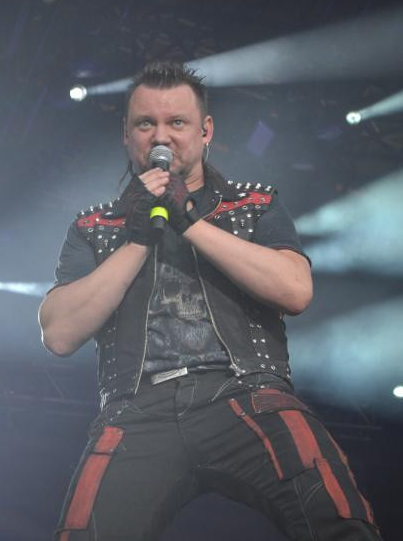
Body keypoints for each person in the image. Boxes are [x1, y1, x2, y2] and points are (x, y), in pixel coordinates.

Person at [39, 61, 381, 541]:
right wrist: (138, 238)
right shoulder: (94, 227)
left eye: (176, 122)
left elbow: (296, 290)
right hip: (136, 410)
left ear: (205, 132)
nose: (161, 137)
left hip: (246, 393)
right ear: (127, 135)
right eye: (146, 124)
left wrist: (190, 222)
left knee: (338, 515)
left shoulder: (253, 204)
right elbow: (58, 334)